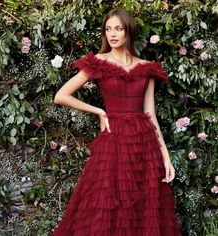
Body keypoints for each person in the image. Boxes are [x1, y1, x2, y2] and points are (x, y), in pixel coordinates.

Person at [52, 8, 182, 236]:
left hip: (145, 146)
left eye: (118, 28)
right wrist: (99, 111)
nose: (112, 34)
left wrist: (166, 157)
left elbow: (150, 115)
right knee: (108, 205)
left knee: (143, 208)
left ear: (128, 31)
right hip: (113, 143)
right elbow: (61, 96)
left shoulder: (146, 68)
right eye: (108, 29)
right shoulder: (99, 62)